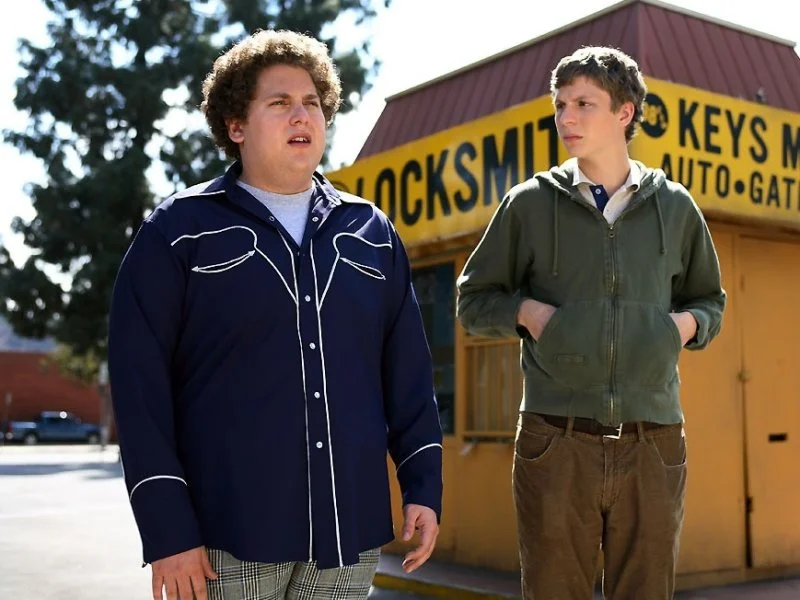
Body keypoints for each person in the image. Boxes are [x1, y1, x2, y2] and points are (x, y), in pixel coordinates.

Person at [108, 29, 442, 600]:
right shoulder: (177, 231)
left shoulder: (372, 232)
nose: (302, 115)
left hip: (347, 536)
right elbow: (140, 392)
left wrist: (423, 485)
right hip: (223, 541)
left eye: (312, 102)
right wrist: (167, 530)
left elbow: (408, 375)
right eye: (280, 102)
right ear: (236, 126)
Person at [456, 46, 726, 600]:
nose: (566, 118)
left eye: (583, 104)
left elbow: (710, 302)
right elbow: (473, 301)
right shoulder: (529, 204)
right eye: (560, 105)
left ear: (625, 112)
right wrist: (529, 313)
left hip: (654, 441)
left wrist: (680, 328)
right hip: (555, 441)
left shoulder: (675, 207)